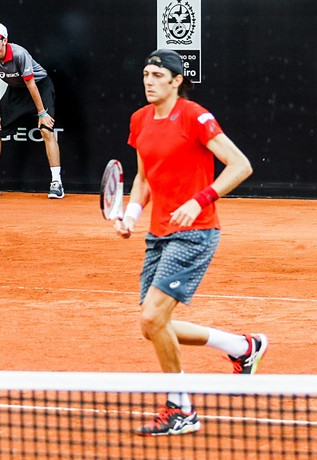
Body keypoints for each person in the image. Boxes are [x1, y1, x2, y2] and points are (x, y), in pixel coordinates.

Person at [115, 49, 268, 436]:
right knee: (155, 326)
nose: (148, 81)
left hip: (196, 230)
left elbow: (240, 165)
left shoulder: (195, 116)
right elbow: (144, 177)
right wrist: (131, 213)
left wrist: (200, 199)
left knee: (152, 317)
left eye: (157, 75)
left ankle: (181, 408)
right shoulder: (140, 120)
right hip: (158, 233)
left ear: (176, 80)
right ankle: (243, 347)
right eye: (145, 74)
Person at [0, 22, 65, 199]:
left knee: (46, 130)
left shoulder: (19, 54)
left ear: (4, 40)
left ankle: (57, 183)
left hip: (39, 87)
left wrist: (42, 113)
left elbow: (31, 84)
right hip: (16, 91)